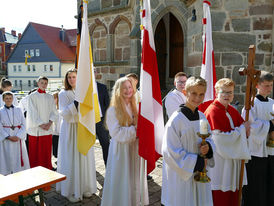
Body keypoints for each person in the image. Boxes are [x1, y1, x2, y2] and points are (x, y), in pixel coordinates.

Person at [161, 76, 215, 206]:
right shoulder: (176, 120)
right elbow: (170, 151)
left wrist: (208, 147)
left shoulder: (202, 117)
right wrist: (198, 161)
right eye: (194, 93)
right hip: (181, 178)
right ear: (185, 92)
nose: (198, 98)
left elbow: (210, 138)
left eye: (201, 94)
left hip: (200, 173)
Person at [101, 77, 149, 206]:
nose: (128, 90)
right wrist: (136, 130)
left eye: (130, 87)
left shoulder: (135, 106)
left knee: (133, 177)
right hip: (121, 150)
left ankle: (133, 201)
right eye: (124, 88)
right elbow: (116, 133)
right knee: (122, 178)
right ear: (118, 90)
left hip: (134, 148)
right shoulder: (113, 110)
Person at [204, 78, 251, 206]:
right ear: (216, 93)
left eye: (230, 92)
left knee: (232, 195)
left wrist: (244, 130)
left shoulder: (231, 110)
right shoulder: (212, 111)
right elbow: (220, 140)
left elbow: (244, 129)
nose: (227, 95)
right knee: (220, 196)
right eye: (223, 92)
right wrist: (242, 130)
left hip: (232, 161)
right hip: (220, 162)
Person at [56, 69, 97, 203]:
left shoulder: (83, 92)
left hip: (82, 127)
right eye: (69, 78)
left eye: (74, 77)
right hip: (70, 129)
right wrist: (75, 105)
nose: (71, 80)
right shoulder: (63, 93)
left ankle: (84, 186)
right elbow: (64, 114)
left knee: (83, 156)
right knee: (71, 157)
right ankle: (71, 189)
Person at [242, 71, 274, 206]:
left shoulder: (272, 102)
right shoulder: (250, 104)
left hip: (271, 151)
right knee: (256, 186)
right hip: (255, 152)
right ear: (257, 85)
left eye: (271, 85)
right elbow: (250, 127)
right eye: (266, 85)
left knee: (270, 185)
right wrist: (271, 126)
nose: (269, 88)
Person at [26, 76, 58, 169]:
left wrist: (49, 123)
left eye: (45, 83)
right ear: (38, 83)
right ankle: (35, 172)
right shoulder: (32, 96)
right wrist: (41, 124)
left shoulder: (50, 97)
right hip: (35, 129)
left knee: (46, 152)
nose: (44, 85)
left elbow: (54, 111)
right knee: (35, 153)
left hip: (47, 129)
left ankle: (47, 168)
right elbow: (32, 112)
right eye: (42, 83)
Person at [0, 91, 30, 175]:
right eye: (6, 98)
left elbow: (24, 123)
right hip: (6, 138)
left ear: (13, 99)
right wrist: (8, 136)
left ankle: (19, 172)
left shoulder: (18, 109)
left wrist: (19, 136)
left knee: (19, 157)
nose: (8, 100)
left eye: (10, 98)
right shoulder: (0, 111)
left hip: (18, 138)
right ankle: (7, 172)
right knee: (7, 157)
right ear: (3, 99)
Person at [96, 81, 110, 166]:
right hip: (87, 121)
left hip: (101, 121)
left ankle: (108, 166)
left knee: (105, 143)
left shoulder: (102, 87)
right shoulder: (82, 86)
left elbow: (107, 104)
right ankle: (88, 170)